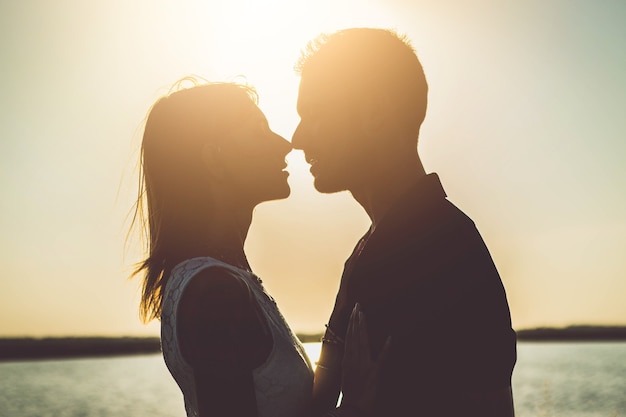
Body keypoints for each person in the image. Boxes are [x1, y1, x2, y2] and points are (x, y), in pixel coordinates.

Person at [292, 28, 517, 416]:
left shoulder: (431, 255)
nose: (297, 138)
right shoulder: (381, 247)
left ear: (377, 111)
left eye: (314, 114)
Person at [130, 79, 386, 417]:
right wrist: (357, 409)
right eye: (258, 132)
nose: (284, 144)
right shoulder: (215, 292)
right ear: (215, 159)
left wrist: (338, 330)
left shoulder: (215, 279)